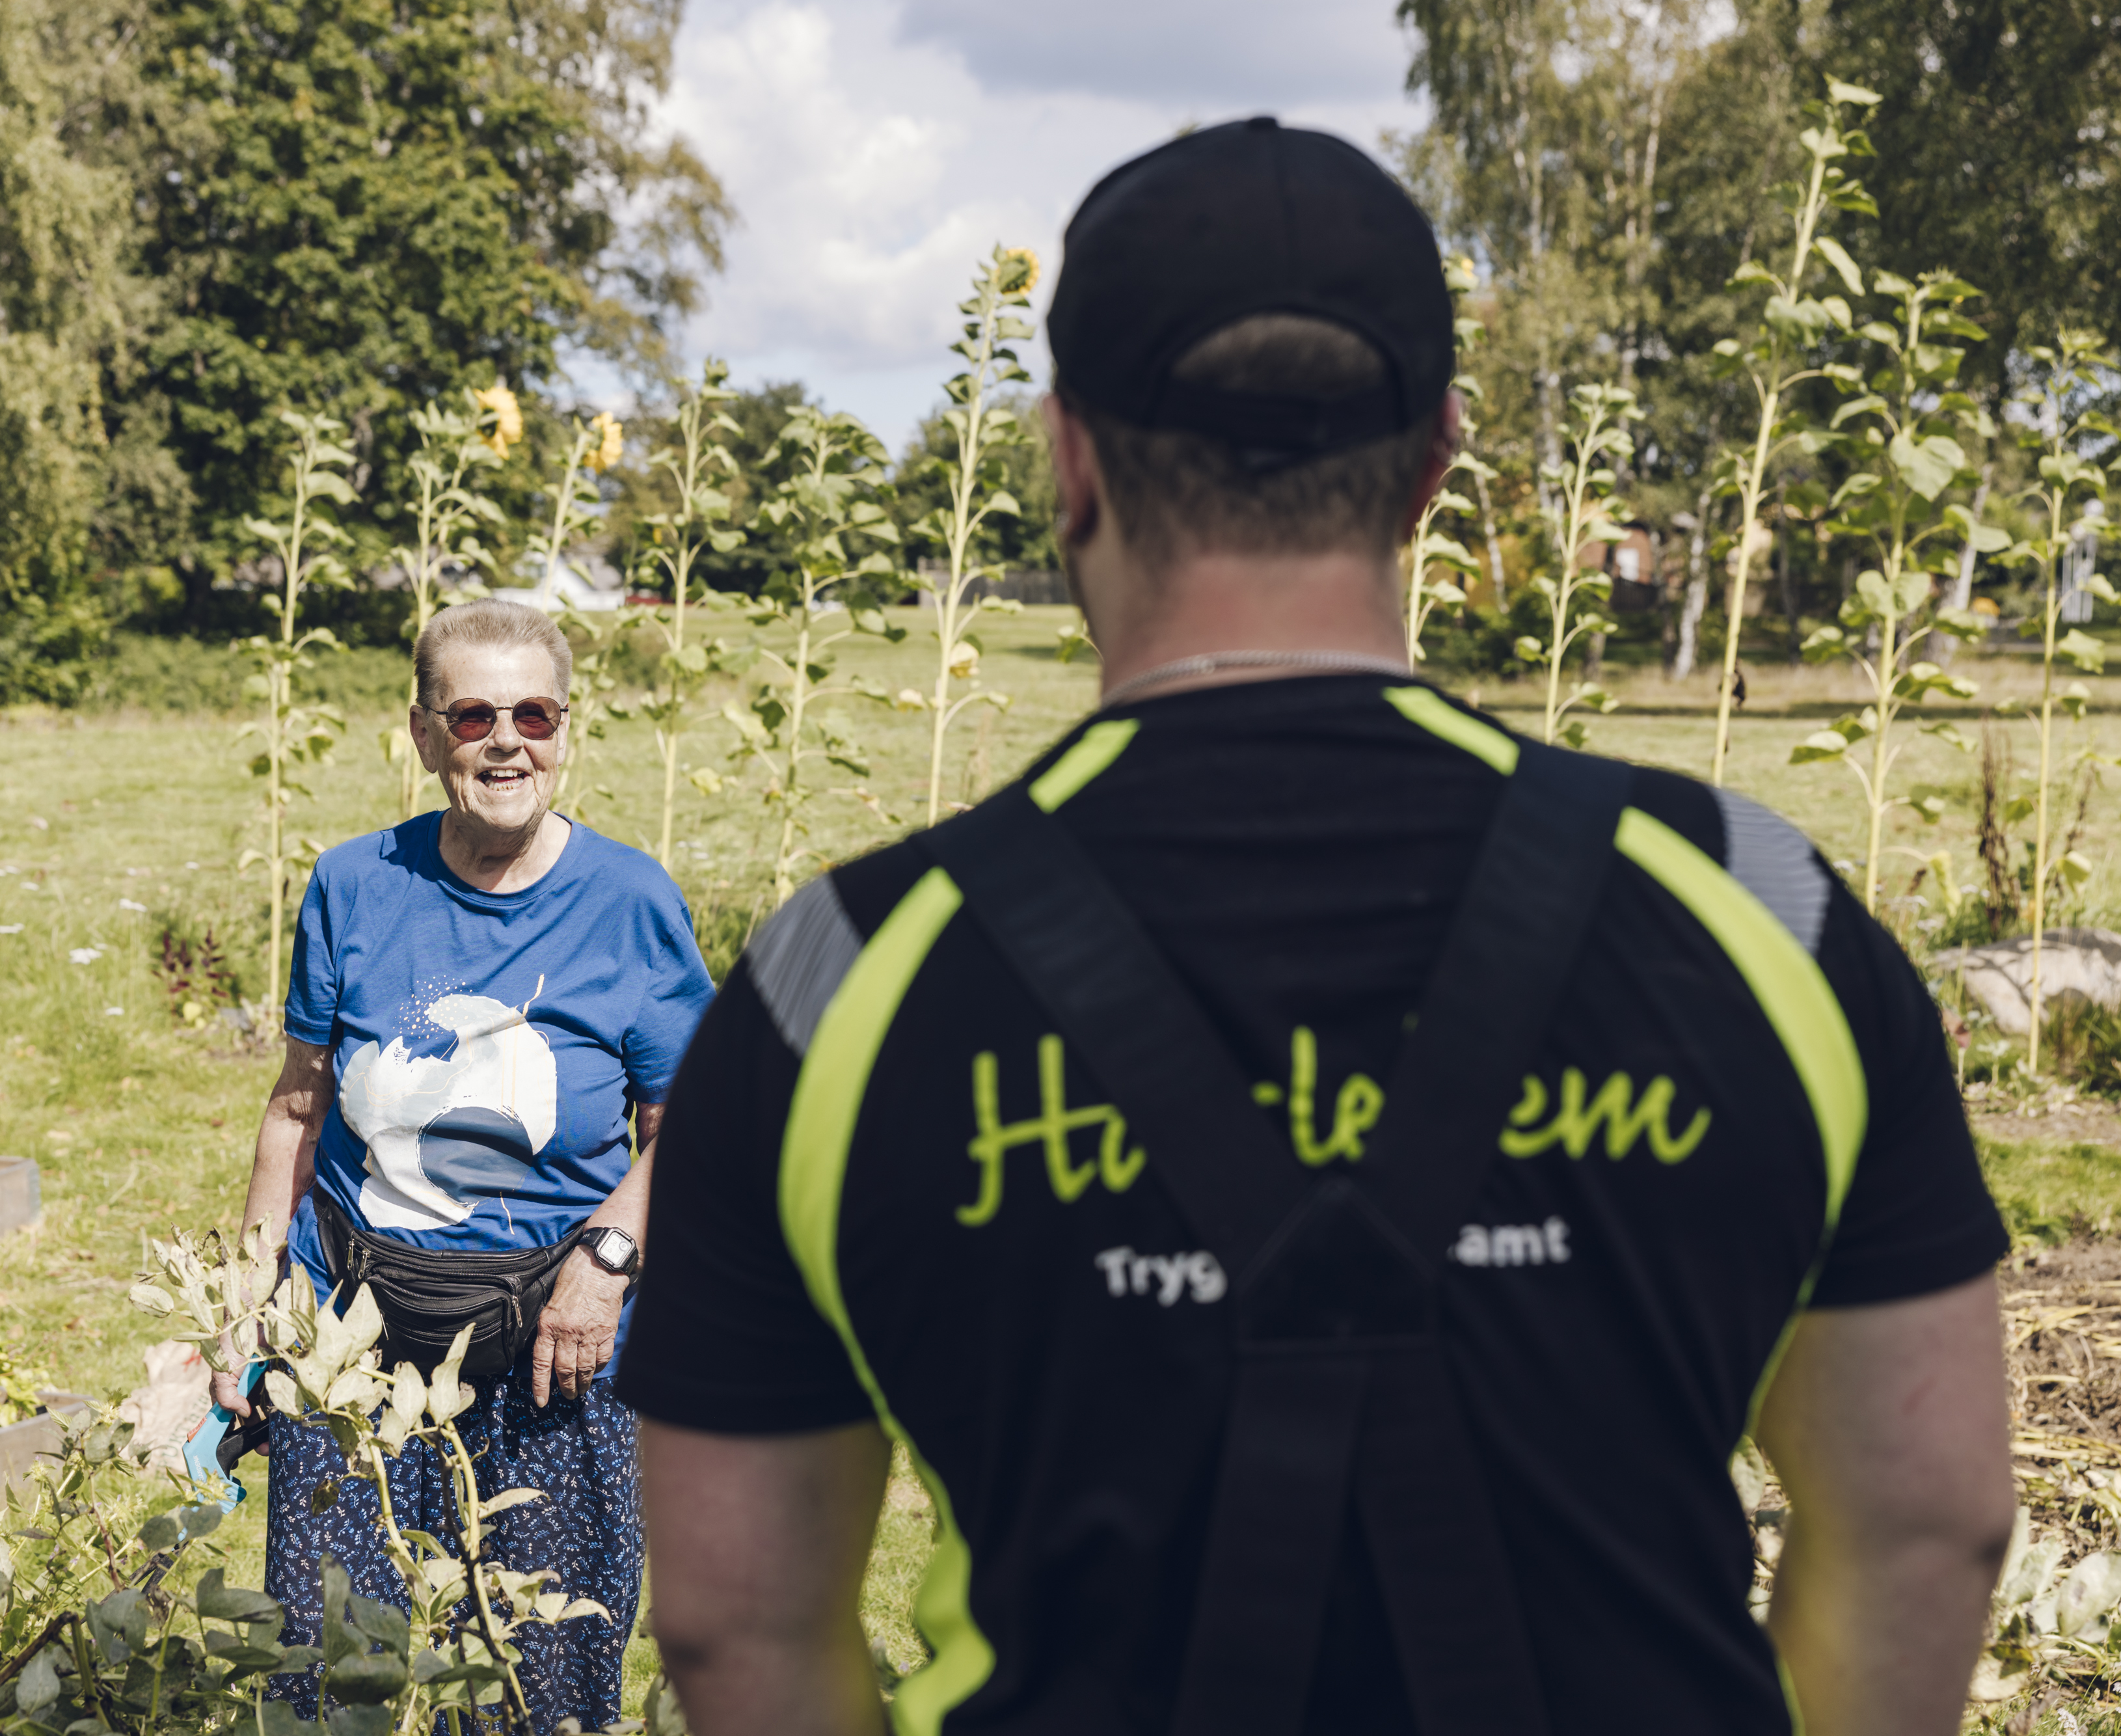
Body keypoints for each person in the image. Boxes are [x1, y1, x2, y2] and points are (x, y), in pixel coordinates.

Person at [619, 120, 2012, 1736]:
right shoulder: (1761, 908)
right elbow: (1928, 1518)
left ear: (1067, 458)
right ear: (1432, 461)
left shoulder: (833, 976)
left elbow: (737, 1626)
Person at [215, 597, 715, 1728]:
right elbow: (296, 1111)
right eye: (474, 713)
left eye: (532, 713)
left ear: (565, 729)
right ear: (425, 732)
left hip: (556, 1353)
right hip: (354, 1340)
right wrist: (249, 1310)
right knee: (333, 1666)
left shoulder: (630, 903)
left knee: (541, 1672)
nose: (506, 741)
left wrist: (610, 1261)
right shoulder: (354, 886)